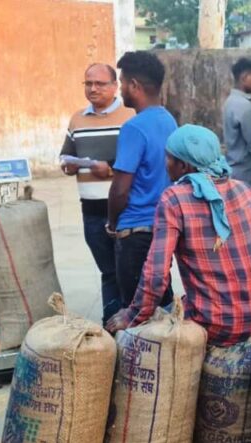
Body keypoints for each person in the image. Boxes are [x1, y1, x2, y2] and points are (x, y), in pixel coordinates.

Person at [105, 125, 251, 346]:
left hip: (212, 325)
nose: (165, 164)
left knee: (126, 326)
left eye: (168, 158)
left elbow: (156, 273)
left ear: (183, 165)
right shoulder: (244, 189)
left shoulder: (174, 199)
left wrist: (133, 315)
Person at [59, 63, 135, 325]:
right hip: (91, 211)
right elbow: (66, 153)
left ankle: (133, 322)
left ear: (114, 86)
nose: (93, 88)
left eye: (100, 83)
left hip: (126, 208)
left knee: (129, 270)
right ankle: (111, 322)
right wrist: (68, 165)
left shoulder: (131, 116)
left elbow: (141, 160)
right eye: (88, 83)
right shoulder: (77, 119)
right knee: (108, 271)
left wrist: (111, 168)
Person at [107, 51, 176, 308]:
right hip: (163, 227)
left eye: (123, 83)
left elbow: (120, 190)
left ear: (134, 86)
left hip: (135, 232)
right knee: (161, 301)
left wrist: (112, 223)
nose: (120, 89)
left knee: (135, 309)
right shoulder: (168, 120)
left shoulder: (133, 128)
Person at [223, 57, 251, 197]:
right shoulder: (243, 106)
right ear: (244, 77)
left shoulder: (230, 101)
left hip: (234, 172)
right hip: (247, 176)